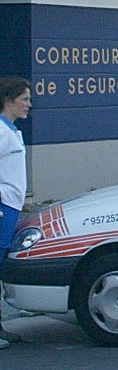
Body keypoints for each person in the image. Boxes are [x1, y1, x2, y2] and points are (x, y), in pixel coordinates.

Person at [0, 77, 32, 350]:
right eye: (24, 99)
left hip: (10, 207)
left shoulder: (10, 130)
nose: (28, 105)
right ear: (9, 100)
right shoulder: (0, 131)